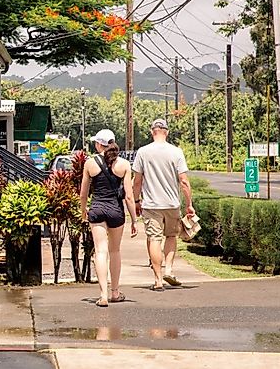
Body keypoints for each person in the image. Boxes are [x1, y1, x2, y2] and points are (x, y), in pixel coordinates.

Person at [132, 118, 195, 291]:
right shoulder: (176, 152)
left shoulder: (143, 152)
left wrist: (136, 201)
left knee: (153, 238)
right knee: (171, 236)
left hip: (151, 205)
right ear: (166, 132)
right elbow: (184, 181)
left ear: (152, 132)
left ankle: (158, 280)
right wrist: (189, 204)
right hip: (172, 204)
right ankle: (169, 269)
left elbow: (137, 181)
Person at [79, 129, 138, 307]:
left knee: (100, 251)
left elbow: (84, 193)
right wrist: (134, 219)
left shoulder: (90, 163)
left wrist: (83, 210)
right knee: (115, 251)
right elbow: (128, 196)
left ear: (98, 144)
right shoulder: (124, 165)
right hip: (116, 210)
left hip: (97, 209)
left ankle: (103, 295)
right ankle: (115, 292)